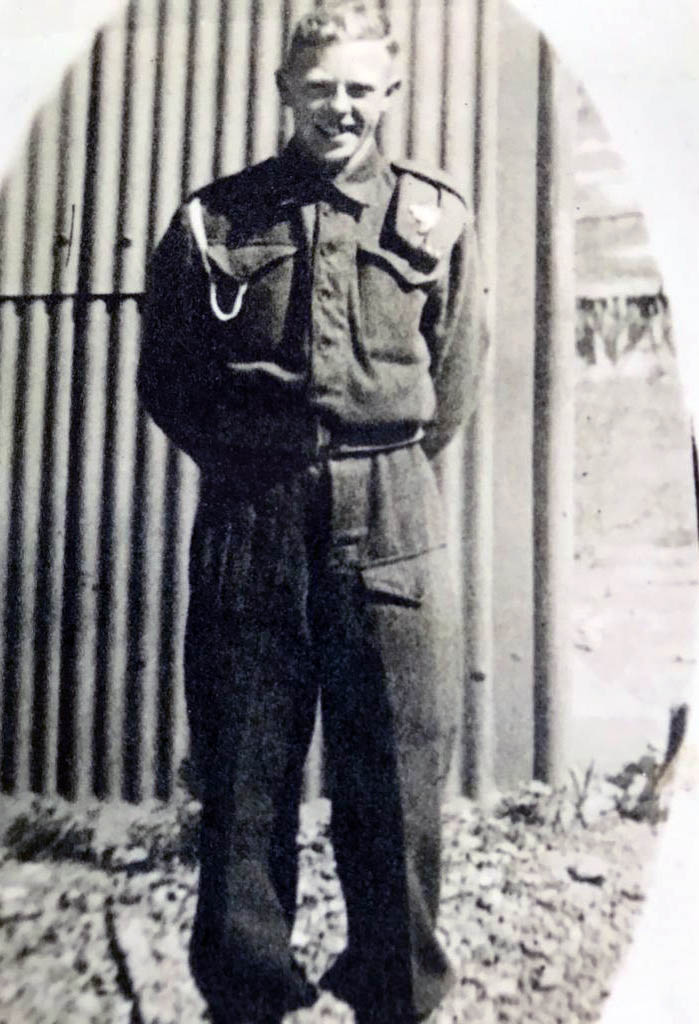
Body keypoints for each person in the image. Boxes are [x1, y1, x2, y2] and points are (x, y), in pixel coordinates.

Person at [138, 2, 487, 1021]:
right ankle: (250, 995)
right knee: (246, 780)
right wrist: (256, 467)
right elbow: (169, 379)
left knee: (395, 781)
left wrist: (378, 473)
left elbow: (454, 380)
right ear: (287, 88)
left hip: (392, 517)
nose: (341, 106)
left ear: (391, 93)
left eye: (360, 87)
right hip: (254, 515)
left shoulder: (435, 219)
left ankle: (397, 993)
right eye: (320, 84)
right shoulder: (217, 219)